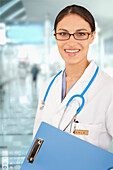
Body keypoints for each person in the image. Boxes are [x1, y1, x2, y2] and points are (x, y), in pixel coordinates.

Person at [33, 4, 113, 151]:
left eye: (80, 34)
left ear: (92, 36)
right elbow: (37, 144)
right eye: (63, 34)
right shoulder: (47, 87)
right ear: (55, 36)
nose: (71, 42)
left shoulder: (109, 90)